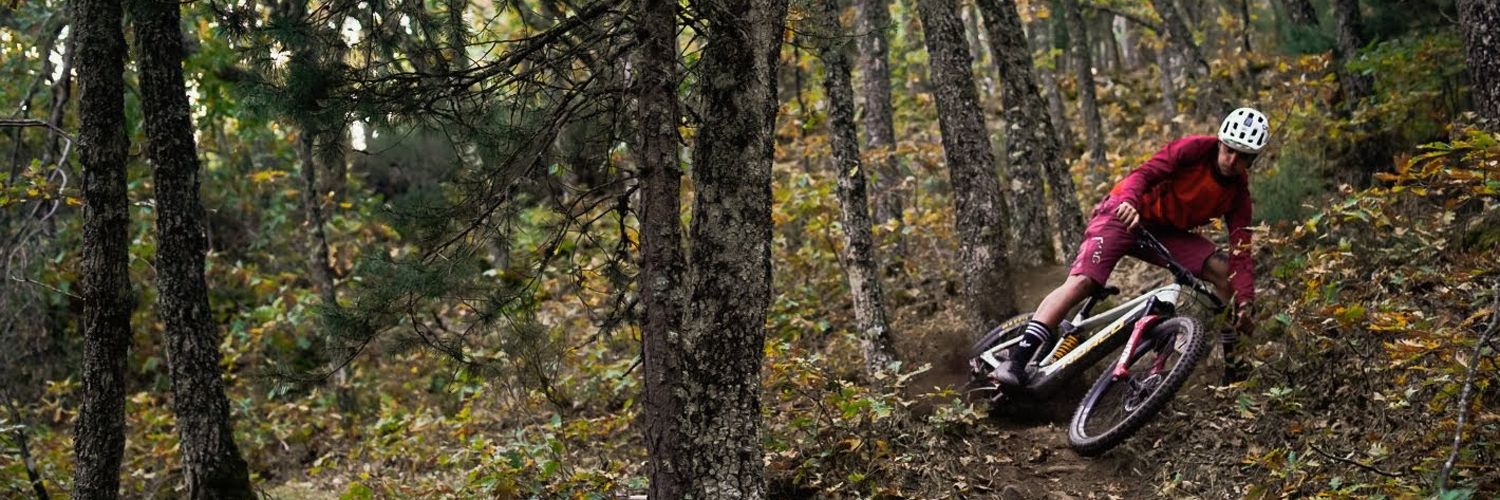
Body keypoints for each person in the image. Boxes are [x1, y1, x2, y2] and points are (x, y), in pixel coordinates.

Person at [995, 107, 1269, 388]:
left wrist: (1245, 299)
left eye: (1242, 157)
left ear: (1252, 160)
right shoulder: (1194, 149)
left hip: (1164, 233)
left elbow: (1241, 251)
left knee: (1225, 273)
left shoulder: (1238, 196)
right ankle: (1017, 360)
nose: (1231, 160)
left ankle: (1235, 370)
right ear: (1220, 142)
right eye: (1228, 150)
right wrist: (1130, 201)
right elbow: (1144, 173)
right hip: (1122, 214)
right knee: (1084, 282)